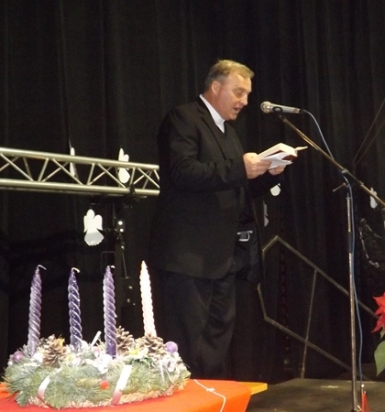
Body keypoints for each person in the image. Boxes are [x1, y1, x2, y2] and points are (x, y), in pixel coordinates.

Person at [147, 59, 286, 378]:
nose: (244, 101)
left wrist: (270, 173)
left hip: (223, 259)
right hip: (188, 257)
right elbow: (183, 172)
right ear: (215, 87)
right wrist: (240, 168)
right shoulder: (183, 118)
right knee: (188, 345)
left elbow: (237, 189)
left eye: (247, 95)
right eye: (239, 92)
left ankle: (214, 396)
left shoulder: (229, 133)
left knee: (216, 344)